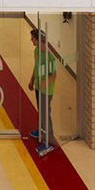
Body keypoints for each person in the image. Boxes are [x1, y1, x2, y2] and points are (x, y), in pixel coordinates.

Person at [28, 27, 56, 156]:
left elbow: (53, 75)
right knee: (41, 110)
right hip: (39, 88)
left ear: (39, 40)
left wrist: (44, 83)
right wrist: (32, 79)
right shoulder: (37, 51)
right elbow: (36, 66)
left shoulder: (50, 58)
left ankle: (48, 142)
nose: (31, 40)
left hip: (46, 91)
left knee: (45, 114)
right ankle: (40, 131)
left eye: (33, 38)